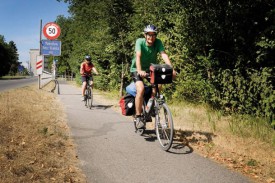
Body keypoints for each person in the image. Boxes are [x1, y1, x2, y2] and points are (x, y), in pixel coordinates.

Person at [130, 24, 177, 129]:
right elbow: (138, 56)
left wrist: (171, 68)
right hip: (137, 69)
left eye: (153, 35)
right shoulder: (139, 42)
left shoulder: (158, 42)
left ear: (155, 36)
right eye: (149, 35)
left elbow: (163, 54)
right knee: (140, 89)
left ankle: (150, 107)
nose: (151, 37)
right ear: (145, 35)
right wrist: (139, 70)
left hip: (151, 69)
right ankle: (138, 117)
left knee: (158, 85)